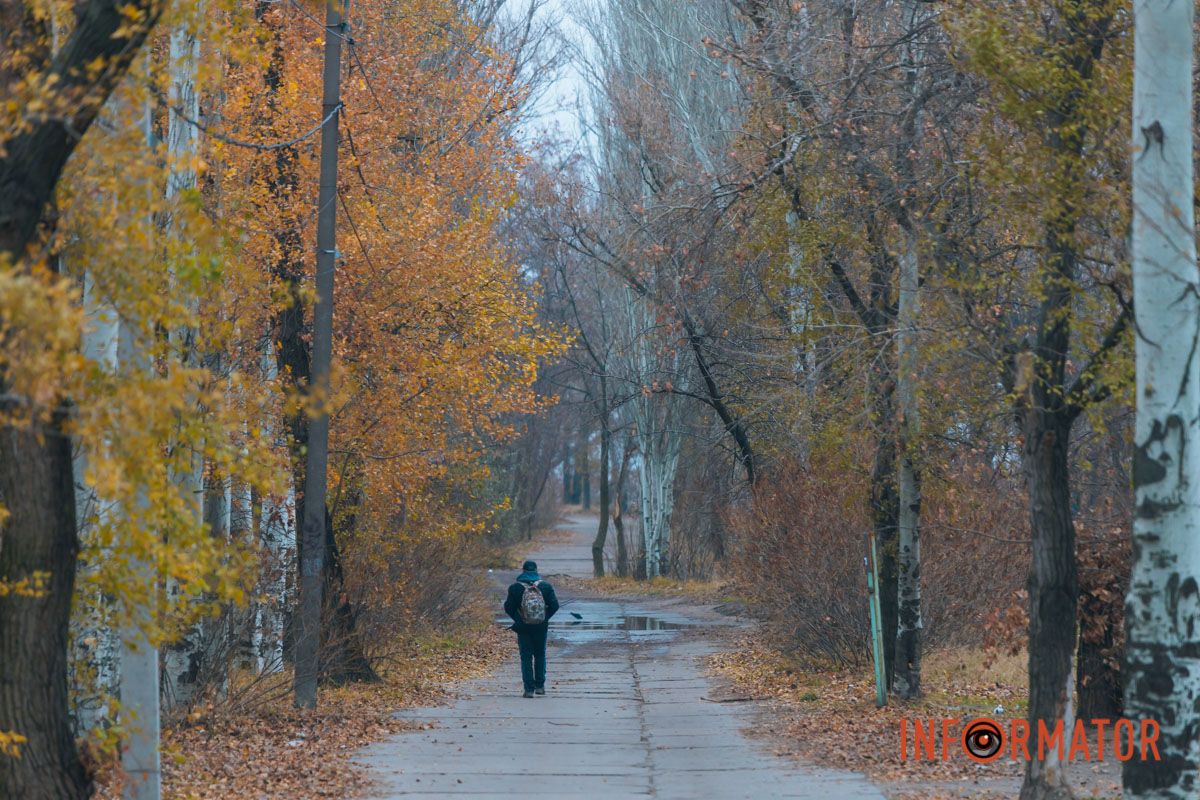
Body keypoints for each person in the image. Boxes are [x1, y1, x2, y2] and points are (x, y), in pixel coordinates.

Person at [503, 560, 559, 698]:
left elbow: (508, 607)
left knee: (526, 657)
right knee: (540, 655)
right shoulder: (545, 586)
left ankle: (528, 689)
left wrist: (519, 620)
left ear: (523, 570)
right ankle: (540, 686)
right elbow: (555, 605)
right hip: (541, 627)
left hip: (523, 627)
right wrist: (544, 618)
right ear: (536, 570)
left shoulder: (515, 588)